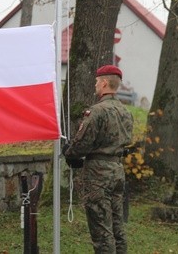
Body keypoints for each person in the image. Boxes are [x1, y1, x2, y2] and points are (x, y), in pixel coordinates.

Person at [63, 65, 133, 254]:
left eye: (96, 81)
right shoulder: (125, 112)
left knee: (101, 229)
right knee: (118, 228)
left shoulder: (97, 111)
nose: (95, 85)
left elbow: (82, 143)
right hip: (117, 170)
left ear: (103, 83)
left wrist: (69, 152)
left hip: (98, 174)